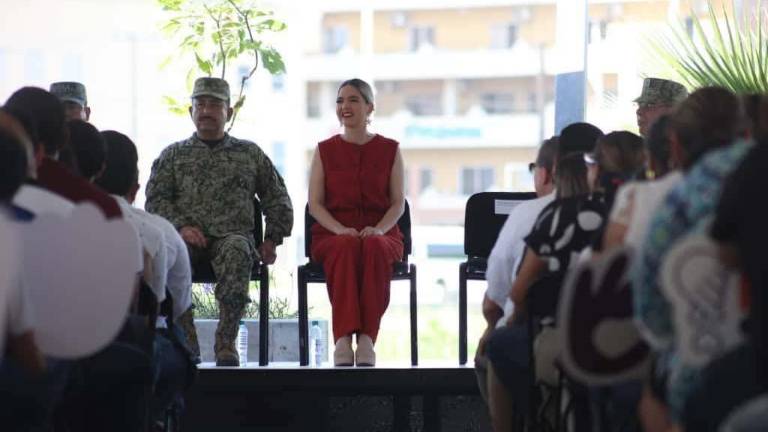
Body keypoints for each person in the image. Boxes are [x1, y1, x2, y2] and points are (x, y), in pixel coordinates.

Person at [146, 77, 293, 367]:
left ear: (229, 112)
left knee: (238, 249)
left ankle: (226, 343)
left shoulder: (249, 154)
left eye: (214, 104)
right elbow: (155, 201)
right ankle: (186, 343)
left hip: (232, 239)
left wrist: (272, 239)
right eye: (200, 104)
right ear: (191, 112)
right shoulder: (173, 155)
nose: (206, 111)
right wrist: (180, 228)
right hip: (187, 239)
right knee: (171, 253)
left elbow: (277, 198)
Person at [484, 122, 603, 431]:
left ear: (550, 170)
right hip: (610, 343)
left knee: (495, 347)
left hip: (542, 343)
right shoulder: (616, 211)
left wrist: (498, 322)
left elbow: (504, 294)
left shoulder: (534, 215)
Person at [307, 78, 405, 367]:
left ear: (369, 107)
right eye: (340, 101)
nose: (344, 106)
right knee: (346, 244)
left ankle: (366, 339)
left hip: (382, 231)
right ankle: (342, 338)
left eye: (353, 100)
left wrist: (380, 229)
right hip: (332, 233)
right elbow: (315, 204)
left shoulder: (390, 149)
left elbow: (398, 203)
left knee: (374, 246)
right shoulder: (324, 150)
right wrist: (339, 229)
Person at [476, 136, 558, 399]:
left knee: (494, 345)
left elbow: (496, 296)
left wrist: (492, 325)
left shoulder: (526, 214)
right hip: (601, 348)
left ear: (544, 174)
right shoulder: (612, 213)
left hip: (531, 339)